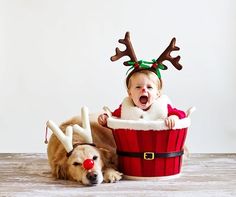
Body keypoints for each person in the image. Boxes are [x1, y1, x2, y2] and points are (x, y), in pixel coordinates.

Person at [98, 69, 186, 129]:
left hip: (158, 144)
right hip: (133, 146)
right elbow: (114, 117)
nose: (144, 89)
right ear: (130, 93)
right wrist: (105, 119)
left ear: (157, 94)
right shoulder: (126, 108)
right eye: (138, 87)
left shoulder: (162, 106)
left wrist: (173, 117)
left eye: (149, 87)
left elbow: (181, 113)